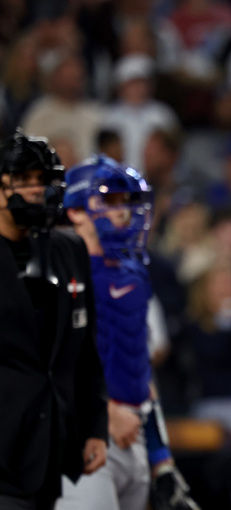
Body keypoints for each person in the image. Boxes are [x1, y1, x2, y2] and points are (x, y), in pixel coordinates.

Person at [57, 156, 199, 510]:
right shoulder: (57, 276)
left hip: (133, 437)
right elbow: (45, 369)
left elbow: (139, 371)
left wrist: (161, 458)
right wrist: (102, 414)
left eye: (126, 201)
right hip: (80, 436)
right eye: (108, 200)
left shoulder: (132, 274)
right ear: (75, 211)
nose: (122, 211)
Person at [0, 130, 108, 509]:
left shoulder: (68, 248)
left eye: (42, 180)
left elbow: (85, 349)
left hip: (55, 445)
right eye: (23, 180)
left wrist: (96, 427)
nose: (35, 190)